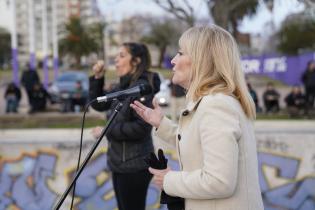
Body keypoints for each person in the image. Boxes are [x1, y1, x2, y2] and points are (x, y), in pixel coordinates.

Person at [131, 25, 264, 210]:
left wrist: (169, 180)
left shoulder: (216, 105)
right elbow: (199, 142)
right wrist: (161, 123)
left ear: (203, 60)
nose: (173, 61)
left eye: (180, 53)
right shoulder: (213, 102)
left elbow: (219, 181)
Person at [89, 43, 161, 210]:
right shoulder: (123, 87)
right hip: (119, 164)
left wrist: (106, 131)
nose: (116, 59)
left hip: (134, 166)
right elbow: (98, 105)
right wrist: (98, 79)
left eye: (121, 56)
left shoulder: (141, 88)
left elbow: (141, 128)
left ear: (135, 61)